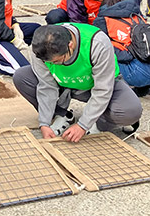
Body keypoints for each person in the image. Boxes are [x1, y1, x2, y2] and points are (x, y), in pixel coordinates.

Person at [13, 24, 143, 140]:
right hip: (63, 85)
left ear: (70, 45)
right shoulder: (40, 49)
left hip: (96, 86)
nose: (54, 65)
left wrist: (83, 125)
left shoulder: (97, 44)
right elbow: (47, 86)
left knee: (131, 111)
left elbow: (102, 90)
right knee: (21, 77)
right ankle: (62, 115)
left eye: (57, 61)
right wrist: (44, 123)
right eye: (49, 63)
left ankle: (98, 123)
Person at [93, 0, 150, 97]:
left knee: (99, 53)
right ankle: (145, 87)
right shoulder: (137, 16)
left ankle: (114, 92)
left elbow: (101, 47)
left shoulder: (103, 20)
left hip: (136, 73)